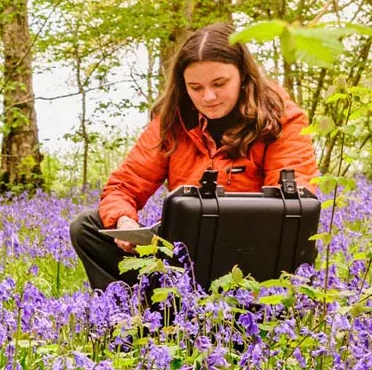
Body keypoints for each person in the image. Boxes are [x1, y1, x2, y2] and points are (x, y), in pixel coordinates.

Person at [68, 22, 321, 292]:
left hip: (254, 251)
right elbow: (124, 186)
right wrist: (124, 221)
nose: (208, 96)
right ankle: (133, 316)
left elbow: (293, 203)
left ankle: (244, 314)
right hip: (183, 252)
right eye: (195, 87)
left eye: (219, 84)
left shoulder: (281, 118)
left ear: (244, 77)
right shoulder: (172, 122)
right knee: (87, 227)